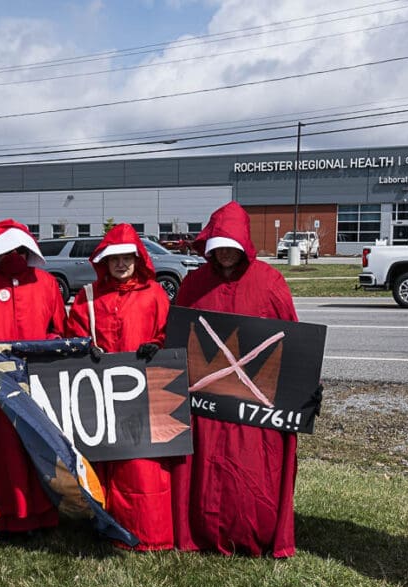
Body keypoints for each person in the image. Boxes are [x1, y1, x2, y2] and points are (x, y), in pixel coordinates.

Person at [170, 201, 300, 557]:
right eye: (219, 247)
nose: (225, 254)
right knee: (207, 465)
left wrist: (302, 386)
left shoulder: (270, 281)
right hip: (206, 403)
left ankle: (250, 531)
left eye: (232, 246)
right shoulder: (194, 283)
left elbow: (291, 339)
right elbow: (178, 337)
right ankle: (203, 530)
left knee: (251, 467)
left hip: (253, 406)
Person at [64, 223, 174, 550]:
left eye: (127, 258)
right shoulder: (88, 296)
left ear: (138, 259)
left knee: (142, 465)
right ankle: (105, 525)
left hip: (144, 394)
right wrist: (86, 349)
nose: (121, 264)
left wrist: (157, 345)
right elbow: (74, 336)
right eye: (115, 259)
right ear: (104, 262)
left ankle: (148, 531)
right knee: (103, 462)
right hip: (101, 392)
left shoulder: (154, 294)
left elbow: (168, 333)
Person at [0, 219, 65, 537]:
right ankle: (1, 514)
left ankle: (41, 513)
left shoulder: (46, 283)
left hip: (38, 383)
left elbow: (58, 330)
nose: (14, 253)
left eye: (19, 248)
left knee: (37, 447)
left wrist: (42, 353)